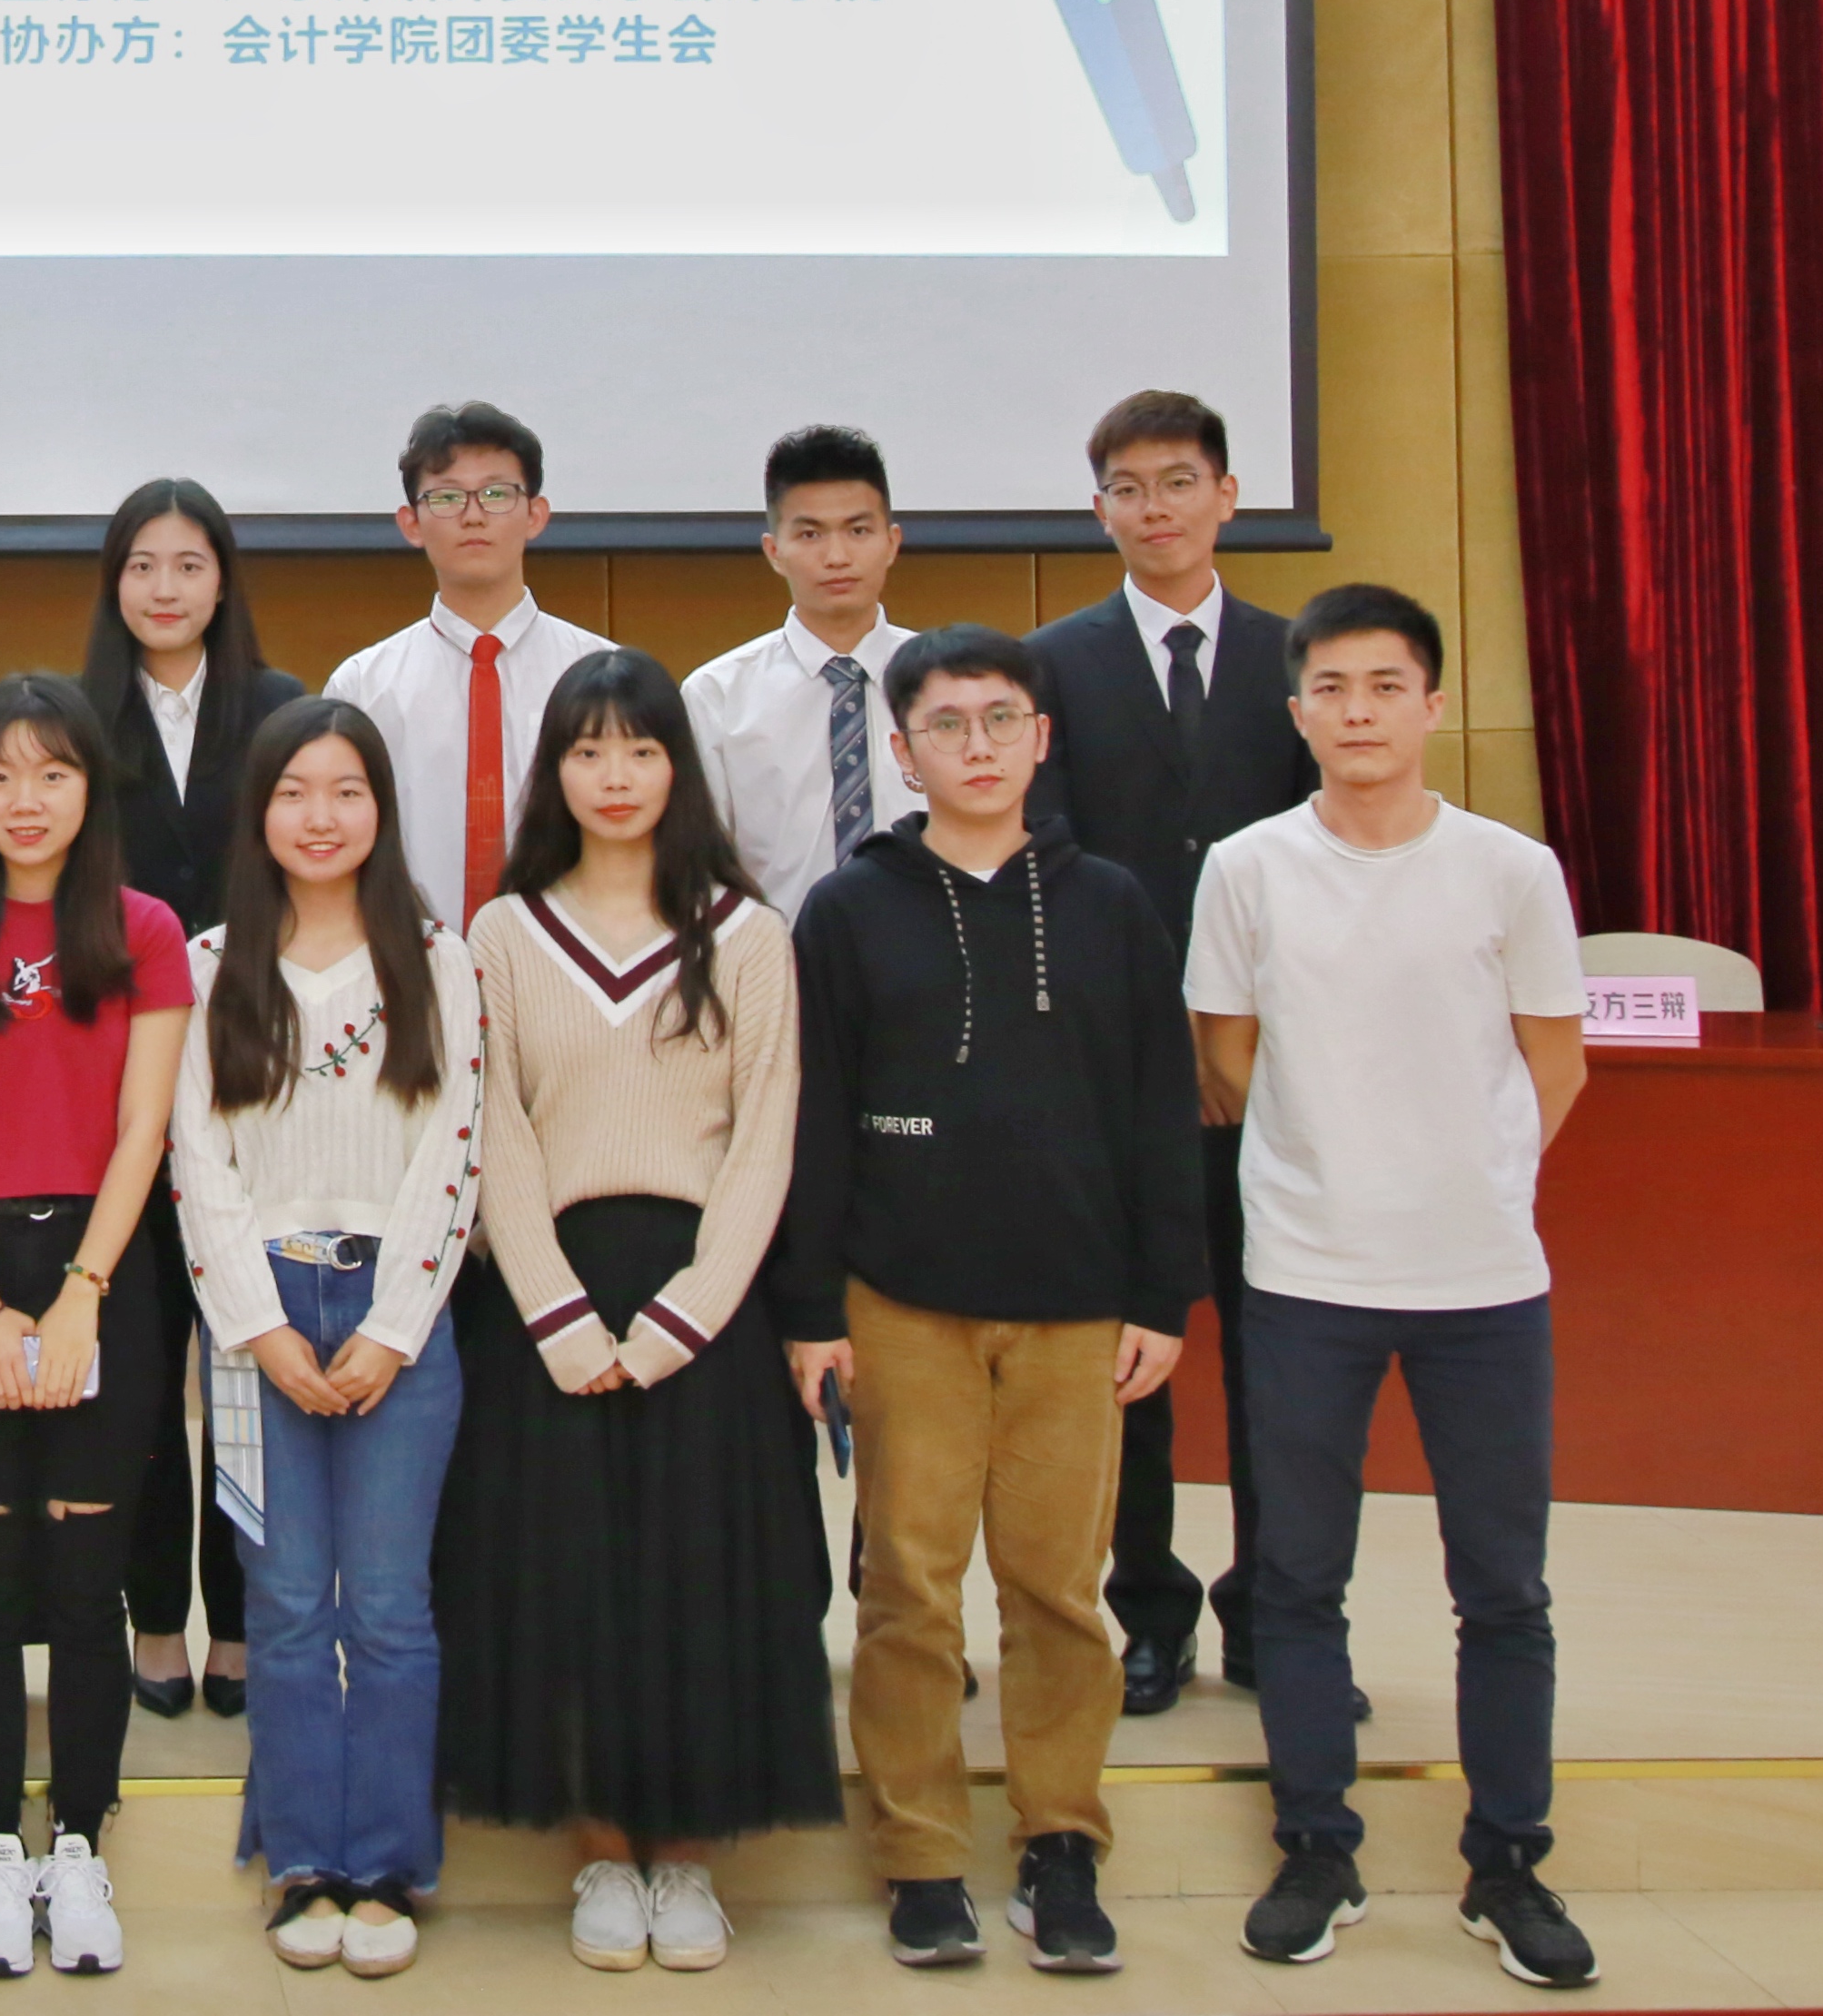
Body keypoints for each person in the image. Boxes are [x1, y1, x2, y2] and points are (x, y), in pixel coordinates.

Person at [771, 628, 1203, 1978]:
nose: (975, 744)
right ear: (901, 754)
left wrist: (1161, 1293)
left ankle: (1059, 1839)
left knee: (1058, 1590)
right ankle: (917, 1853)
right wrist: (810, 1307)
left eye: (998, 719)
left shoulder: (1109, 903)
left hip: (1077, 1307)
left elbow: (1160, 1108)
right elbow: (812, 1119)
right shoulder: (847, 909)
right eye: (945, 725)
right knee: (906, 1588)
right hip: (901, 1300)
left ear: (1039, 739)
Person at [1191, 587, 1595, 1990]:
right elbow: (1225, 1060)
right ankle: (1315, 1845)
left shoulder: (1509, 869)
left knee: (1503, 1587)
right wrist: (1332, 1166)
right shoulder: (1245, 867)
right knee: (1298, 1579)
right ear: (1294, 710)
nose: (1356, 711)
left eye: (1383, 685)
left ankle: (1508, 1861)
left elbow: (1556, 1061)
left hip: (1482, 1279)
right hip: (1306, 1273)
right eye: (1330, 687)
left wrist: (1467, 1176)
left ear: (1430, 703)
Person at [439, 647, 837, 1977]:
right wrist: (552, 1309)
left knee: (698, 1587)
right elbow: (492, 1128)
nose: (615, 775)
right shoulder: (501, 934)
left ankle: (687, 1860)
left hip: (700, 1311)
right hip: (543, 1306)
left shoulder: (748, 933)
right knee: (566, 1589)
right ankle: (603, 1854)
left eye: (641, 748)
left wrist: (688, 1314)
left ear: (680, 767)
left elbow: (765, 1134)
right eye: (587, 749)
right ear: (552, 771)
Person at [0, 672, 195, 1981]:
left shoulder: (146, 930)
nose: (24, 797)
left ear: (89, 789)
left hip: (99, 1268)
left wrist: (78, 1294)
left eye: (52, 772)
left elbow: (143, 1127)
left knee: (82, 1578)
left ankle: (81, 1842)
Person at [165, 697, 481, 1978]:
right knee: (287, 1605)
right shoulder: (207, 963)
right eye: (293, 791)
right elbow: (196, 1158)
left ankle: (388, 1863)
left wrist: (394, 1327)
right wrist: (256, 1327)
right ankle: (301, 1858)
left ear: (380, 810)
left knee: (391, 1607)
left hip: (399, 1314)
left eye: (346, 790)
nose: (319, 815)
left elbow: (453, 1154)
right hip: (260, 1320)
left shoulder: (435, 958)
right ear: (257, 812)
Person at [1018, 390, 1321, 1720]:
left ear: (1227, 495)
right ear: (1099, 510)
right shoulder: (1049, 665)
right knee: (1125, 1366)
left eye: (1178, 481)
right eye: (1129, 488)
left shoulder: (1296, 658)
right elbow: (1049, 864)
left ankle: (1276, 1609)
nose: (1156, 508)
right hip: (1116, 1078)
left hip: (1281, 1077)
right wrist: (1154, 1035)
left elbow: (1323, 854)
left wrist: (1236, 1033)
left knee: (1278, 1359)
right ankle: (1146, 1609)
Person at [77, 479, 299, 1722]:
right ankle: (154, 1613)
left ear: (223, 579)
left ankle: (244, 1621)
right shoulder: (77, 716)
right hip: (114, 1082)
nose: (164, 588)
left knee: (245, 1358)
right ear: (113, 581)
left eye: (189, 564)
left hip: (254, 1077)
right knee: (142, 1363)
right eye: (141, 565)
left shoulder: (279, 709)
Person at [322, 400, 615, 931]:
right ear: (411, 523)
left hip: (575, 955)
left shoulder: (602, 674)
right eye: (447, 497)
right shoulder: (362, 686)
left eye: (497, 494)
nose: (473, 515)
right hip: (409, 956)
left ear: (536, 515)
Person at [678, 427, 920, 924]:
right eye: (810, 534)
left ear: (892, 542)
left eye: (858, 531)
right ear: (774, 551)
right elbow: (701, 869)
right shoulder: (717, 696)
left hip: (932, 955)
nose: (837, 557)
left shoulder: (946, 683)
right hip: (778, 959)